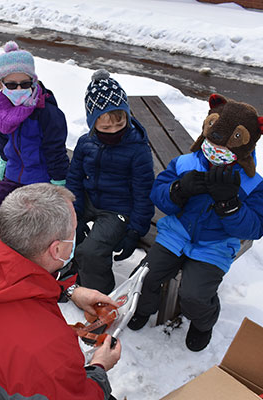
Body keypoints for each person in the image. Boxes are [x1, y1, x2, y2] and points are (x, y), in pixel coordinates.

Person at [0, 183, 121, 399]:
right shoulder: (49, 348)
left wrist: (70, 291)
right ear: (56, 250)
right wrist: (99, 368)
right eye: (73, 231)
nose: (75, 237)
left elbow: (12, 277)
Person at [128, 94, 263, 352]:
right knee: (144, 277)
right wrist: (178, 189)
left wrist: (230, 205)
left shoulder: (252, 184)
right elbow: (159, 194)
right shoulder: (186, 163)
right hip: (176, 235)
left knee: (194, 294)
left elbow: (257, 227)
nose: (216, 148)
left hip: (214, 246)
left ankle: (203, 322)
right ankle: (143, 309)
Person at [66, 70, 154, 295]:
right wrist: (74, 213)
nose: (113, 131)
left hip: (118, 209)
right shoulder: (86, 144)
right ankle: (70, 271)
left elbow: (144, 193)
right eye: (105, 128)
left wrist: (135, 231)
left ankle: (99, 293)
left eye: (120, 124)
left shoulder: (137, 150)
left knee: (91, 252)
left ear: (126, 115)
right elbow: (74, 179)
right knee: (61, 228)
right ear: (92, 122)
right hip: (89, 199)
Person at [0, 41, 70, 237]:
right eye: (11, 84)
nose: (18, 89)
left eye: (24, 84)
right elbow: (2, 136)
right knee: (2, 216)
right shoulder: (2, 107)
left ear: (33, 81)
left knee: (33, 229)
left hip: (40, 179)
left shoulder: (46, 112)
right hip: (13, 175)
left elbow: (56, 150)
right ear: (1, 84)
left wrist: (58, 180)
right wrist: (4, 159)